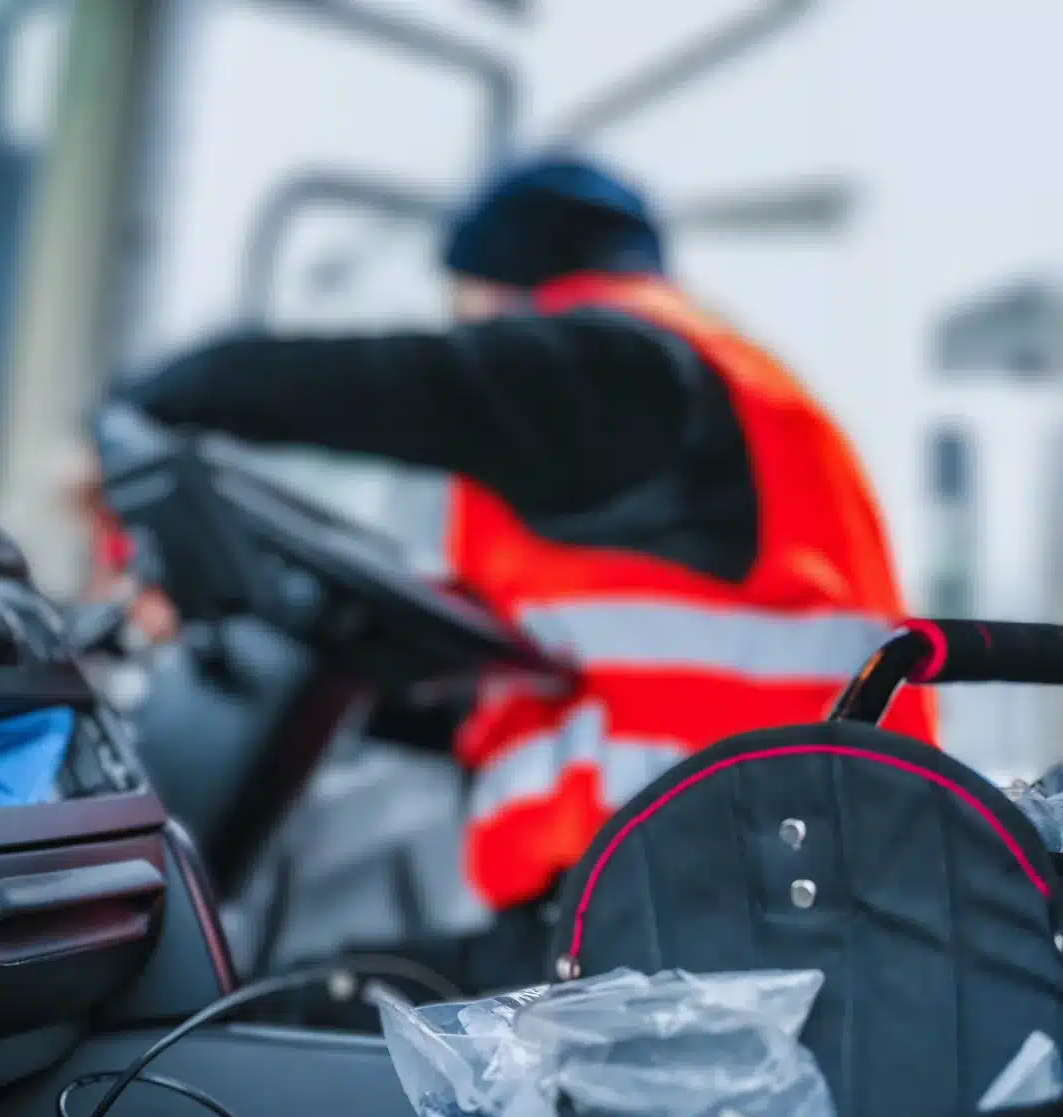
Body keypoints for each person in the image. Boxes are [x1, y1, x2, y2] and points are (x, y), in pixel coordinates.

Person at [103, 155, 935, 989]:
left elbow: (388, 382)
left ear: (499, 284)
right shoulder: (733, 392)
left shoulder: (617, 369)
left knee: (253, 1023)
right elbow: (608, 664)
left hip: (687, 915)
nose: (464, 326)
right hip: (762, 885)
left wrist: (147, 402)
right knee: (329, 999)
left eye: (465, 303)